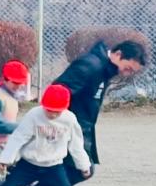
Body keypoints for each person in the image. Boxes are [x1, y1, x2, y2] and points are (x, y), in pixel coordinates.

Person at [52, 37, 147, 171]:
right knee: (77, 169)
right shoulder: (91, 66)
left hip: (82, 125)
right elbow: (59, 90)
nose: (127, 74)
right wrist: (56, 118)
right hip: (69, 124)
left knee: (78, 169)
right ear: (118, 54)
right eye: (128, 68)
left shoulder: (104, 69)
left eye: (132, 71)